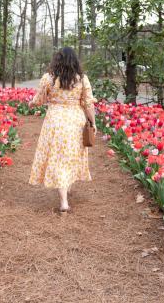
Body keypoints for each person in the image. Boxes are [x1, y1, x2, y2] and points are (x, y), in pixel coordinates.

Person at [29, 47, 97, 212]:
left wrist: (31, 103)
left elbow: (39, 99)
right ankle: (65, 196)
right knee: (70, 156)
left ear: (57, 60)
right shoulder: (81, 79)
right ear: (75, 61)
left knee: (57, 158)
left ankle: (64, 201)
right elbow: (88, 104)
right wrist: (93, 123)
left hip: (55, 121)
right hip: (75, 121)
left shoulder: (49, 78)